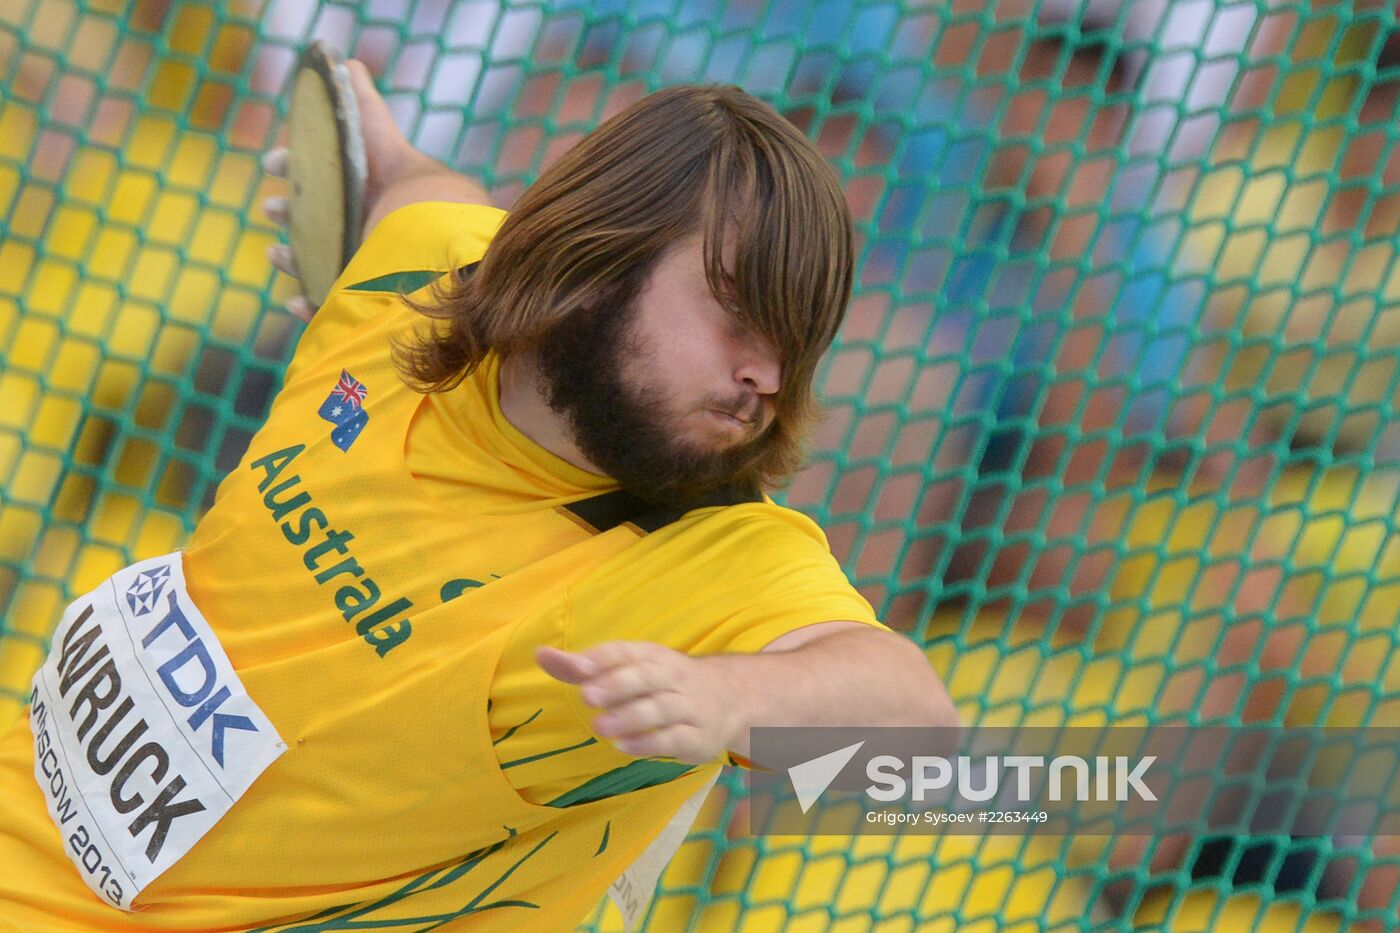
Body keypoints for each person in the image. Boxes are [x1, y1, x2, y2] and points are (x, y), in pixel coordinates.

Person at [0, 60, 956, 930]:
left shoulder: (701, 563)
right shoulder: (415, 282)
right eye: (741, 312)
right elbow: (427, 195)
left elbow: (918, 725)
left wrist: (729, 694)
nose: (768, 375)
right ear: (598, 257)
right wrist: (375, 149)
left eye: (797, 342)